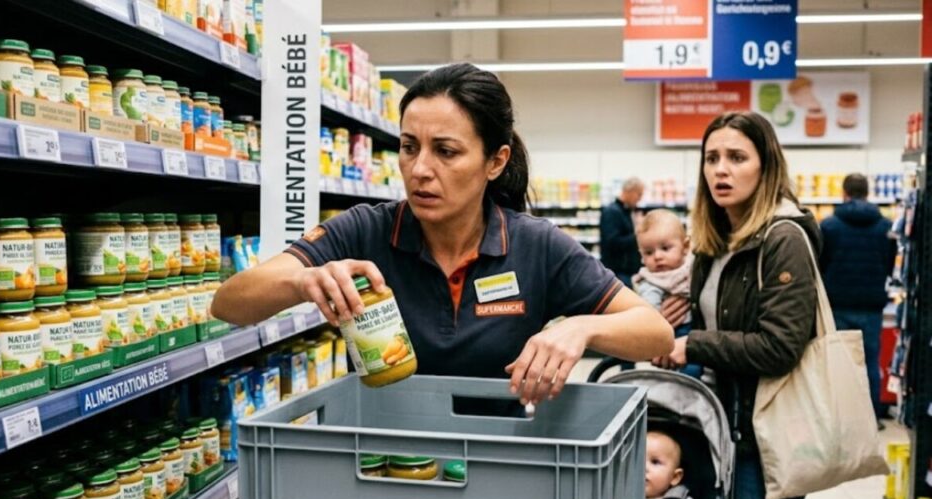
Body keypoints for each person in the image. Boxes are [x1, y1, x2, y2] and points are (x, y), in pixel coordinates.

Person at [211, 63, 673, 406]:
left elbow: (655, 333)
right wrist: (300, 281)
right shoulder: (365, 231)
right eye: (409, 148)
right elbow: (229, 303)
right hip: (379, 466)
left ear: (496, 161)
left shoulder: (537, 246)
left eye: (446, 151)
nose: (420, 170)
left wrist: (580, 326)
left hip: (496, 470)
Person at [653, 111, 819, 499]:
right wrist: (668, 335)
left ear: (765, 166)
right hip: (723, 429)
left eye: (736, 157)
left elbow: (781, 346)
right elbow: (714, 323)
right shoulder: (714, 241)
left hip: (767, 438)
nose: (720, 169)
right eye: (712, 158)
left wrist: (694, 344)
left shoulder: (783, 237)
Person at [818, 173, 896, 426]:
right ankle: (870, 417)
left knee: (840, 362)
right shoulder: (885, 226)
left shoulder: (829, 226)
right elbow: (888, 263)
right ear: (867, 192)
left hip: (838, 304)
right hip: (871, 305)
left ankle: (841, 420)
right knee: (870, 363)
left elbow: (821, 263)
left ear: (844, 193)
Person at [633, 210, 701, 379]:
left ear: (685, 247)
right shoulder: (649, 281)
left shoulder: (693, 268)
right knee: (685, 373)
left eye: (665, 248)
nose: (658, 256)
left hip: (696, 334)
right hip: (670, 335)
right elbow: (649, 312)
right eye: (649, 252)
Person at [601, 177, 644, 287]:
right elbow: (612, 243)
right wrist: (638, 235)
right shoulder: (611, 212)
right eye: (639, 194)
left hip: (627, 273)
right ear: (629, 191)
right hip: (618, 274)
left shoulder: (626, 211)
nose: (640, 199)